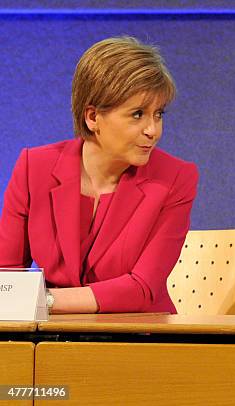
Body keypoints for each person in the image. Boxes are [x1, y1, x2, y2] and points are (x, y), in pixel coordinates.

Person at [0, 37, 198, 314]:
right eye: (138, 114)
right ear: (92, 117)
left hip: (138, 336)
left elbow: (141, 288)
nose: (153, 130)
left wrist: (42, 301)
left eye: (159, 114)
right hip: (51, 338)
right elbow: (6, 278)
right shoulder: (34, 167)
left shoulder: (176, 178)